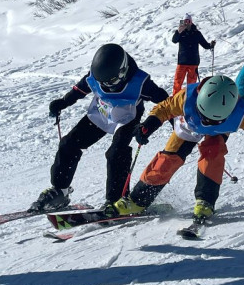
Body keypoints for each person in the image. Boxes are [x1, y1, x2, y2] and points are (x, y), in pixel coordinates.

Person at [108, 73, 244, 226]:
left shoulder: (242, 112)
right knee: (168, 159)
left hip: (217, 133)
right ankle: (138, 200)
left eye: (211, 120)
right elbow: (165, 108)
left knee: (214, 153)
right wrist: (149, 124)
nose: (205, 122)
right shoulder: (186, 97)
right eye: (204, 116)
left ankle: (205, 201)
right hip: (189, 126)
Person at [30, 43, 168, 212]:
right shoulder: (97, 75)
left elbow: (165, 102)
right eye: (103, 83)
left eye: (112, 82)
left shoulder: (140, 82)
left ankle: (116, 200)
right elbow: (80, 89)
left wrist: (152, 125)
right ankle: (60, 191)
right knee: (69, 143)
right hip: (102, 113)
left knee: (117, 153)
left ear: (123, 71)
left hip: (126, 118)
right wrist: (64, 102)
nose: (107, 86)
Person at [170, 13, 215, 93]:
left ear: (191, 22)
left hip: (193, 62)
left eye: (188, 21)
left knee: (191, 84)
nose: (187, 23)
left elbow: (205, 45)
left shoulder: (196, 33)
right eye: (185, 21)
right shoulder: (180, 33)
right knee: (177, 82)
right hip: (182, 62)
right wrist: (178, 32)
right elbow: (174, 40)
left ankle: (189, 99)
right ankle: (175, 99)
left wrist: (211, 45)